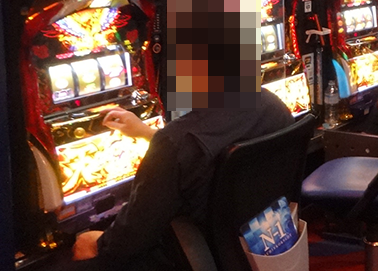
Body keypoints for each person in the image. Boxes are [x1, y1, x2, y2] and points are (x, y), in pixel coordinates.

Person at [71, 88, 293, 270]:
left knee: (81, 249)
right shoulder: (272, 104)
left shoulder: (174, 143)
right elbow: (208, 146)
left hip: (202, 252)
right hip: (271, 241)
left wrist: (99, 243)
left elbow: (132, 237)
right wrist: (150, 134)